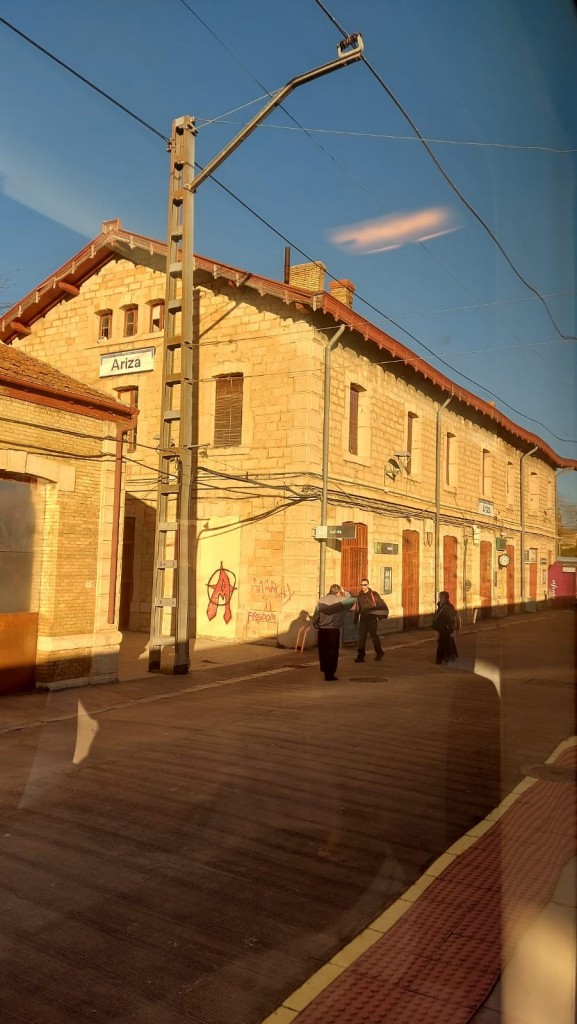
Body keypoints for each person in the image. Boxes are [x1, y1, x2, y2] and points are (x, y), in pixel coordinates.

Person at [312, 584, 355, 681]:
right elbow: (353, 598)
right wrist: (347, 590)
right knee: (332, 652)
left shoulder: (321, 600)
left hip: (322, 630)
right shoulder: (342, 601)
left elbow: (315, 616)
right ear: (338, 591)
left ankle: (325, 671)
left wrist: (316, 624)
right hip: (333, 630)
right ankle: (330, 673)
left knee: (323, 652)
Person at [353, 578, 388, 663]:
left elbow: (380, 605)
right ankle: (361, 656)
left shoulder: (373, 594)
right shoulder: (359, 596)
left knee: (374, 636)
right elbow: (358, 609)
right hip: (363, 620)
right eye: (361, 585)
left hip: (372, 619)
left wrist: (380, 616)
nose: (363, 586)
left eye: (365, 585)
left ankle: (379, 653)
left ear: (368, 585)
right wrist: (355, 619)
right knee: (361, 638)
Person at [432, 591, 460, 664]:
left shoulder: (449, 607)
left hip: (446, 628)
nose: (440, 598)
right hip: (440, 628)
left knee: (442, 644)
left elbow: (454, 618)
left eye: (441, 597)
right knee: (445, 643)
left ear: (446, 598)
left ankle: (439, 660)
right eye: (440, 597)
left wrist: (455, 630)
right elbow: (436, 617)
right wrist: (435, 628)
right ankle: (448, 657)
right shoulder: (440, 606)